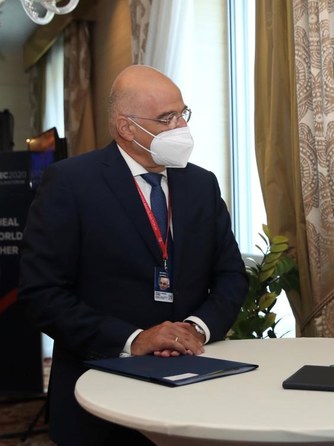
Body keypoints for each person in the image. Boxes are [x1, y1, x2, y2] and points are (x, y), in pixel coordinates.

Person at [18, 65, 248, 445]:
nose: (180, 127)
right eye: (166, 118)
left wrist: (195, 328)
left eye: (183, 114)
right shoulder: (71, 183)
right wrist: (133, 339)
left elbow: (231, 275)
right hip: (100, 395)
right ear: (127, 127)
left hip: (195, 389)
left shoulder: (201, 184)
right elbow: (42, 292)